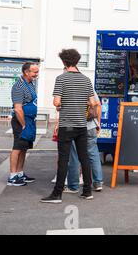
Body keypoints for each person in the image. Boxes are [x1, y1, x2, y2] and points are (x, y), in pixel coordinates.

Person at [41, 49, 98, 204]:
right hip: (81, 125)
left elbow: (56, 102)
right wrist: (79, 102)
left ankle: (57, 194)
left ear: (64, 62)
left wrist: (64, 104)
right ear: (77, 61)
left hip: (67, 125)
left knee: (63, 160)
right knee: (84, 158)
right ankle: (87, 191)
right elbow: (93, 102)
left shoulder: (61, 78)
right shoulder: (86, 80)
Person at [64, 90, 103, 193]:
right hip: (91, 126)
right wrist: (98, 123)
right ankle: (98, 182)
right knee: (93, 154)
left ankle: (73, 185)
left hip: (75, 126)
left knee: (75, 156)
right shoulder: (89, 86)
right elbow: (98, 105)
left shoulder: (69, 87)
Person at [7, 63, 39, 186]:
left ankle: (20, 173)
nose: (37, 74)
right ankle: (12, 176)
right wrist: (24, 125)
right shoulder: (18, 86)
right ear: (26, 72)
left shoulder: (31, 84)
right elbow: (18, 108)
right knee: (17, 147)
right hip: (21, 121)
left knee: (24, 148)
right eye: (34, 72)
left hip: (29, 120)